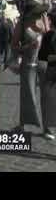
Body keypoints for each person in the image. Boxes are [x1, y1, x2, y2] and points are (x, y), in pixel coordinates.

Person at [11, 1, 47, 132]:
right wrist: (28, 46)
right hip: (28, 64)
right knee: (28, 95)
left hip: (44, 63)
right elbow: (14, 47)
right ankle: (22, 125)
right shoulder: (21, 25)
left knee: (48, 95)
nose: (40, 14)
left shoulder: (44, 20)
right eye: (37, 12)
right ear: (30, 13)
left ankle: (48, 128)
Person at [37, 10, 56, 140]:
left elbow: (42, 56)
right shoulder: (49, 35)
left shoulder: (49, 35)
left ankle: (48, 129)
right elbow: (43, 56)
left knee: (47, 100)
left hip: (50, 70)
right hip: (50, 71)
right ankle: (48, 128)